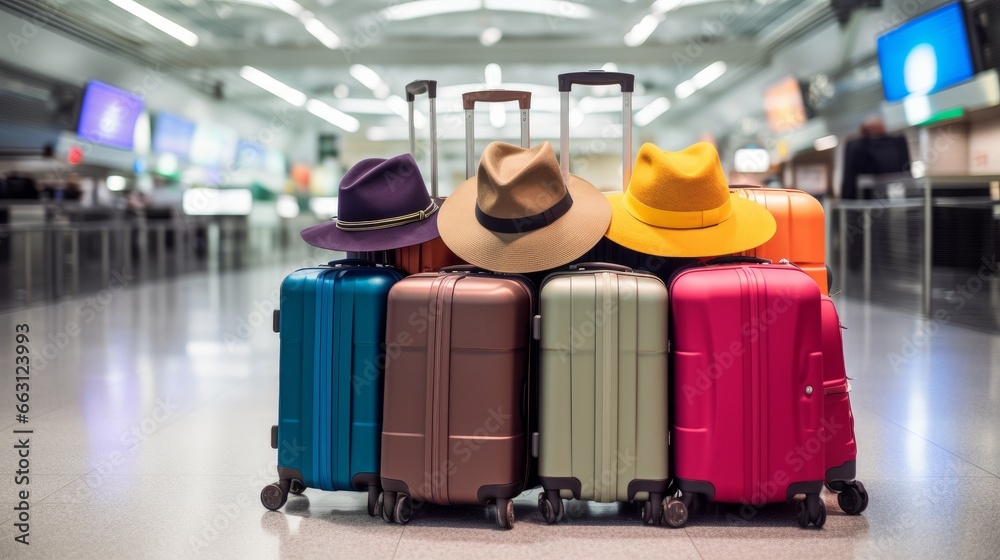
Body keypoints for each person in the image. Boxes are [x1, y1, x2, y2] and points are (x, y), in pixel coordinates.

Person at [840, 116, 911, 200]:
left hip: (864, 204)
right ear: (883, 129)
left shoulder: (855, 148)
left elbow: (849, 182)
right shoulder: (898, 145)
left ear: (863, 131)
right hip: (894, 201)